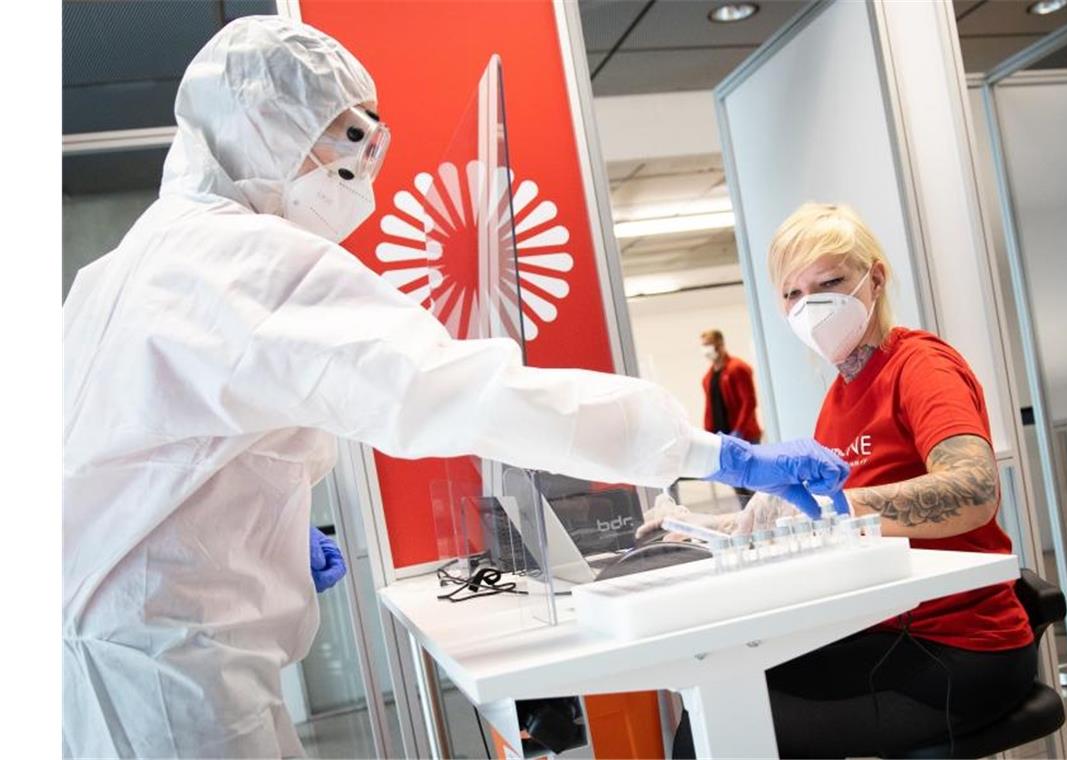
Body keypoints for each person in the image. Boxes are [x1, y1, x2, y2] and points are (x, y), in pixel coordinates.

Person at [62, 17, 850, 759]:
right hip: (168, 682)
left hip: (110, 655)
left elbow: (136, 459)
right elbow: (459, 392)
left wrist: (238, 529)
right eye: (345, 139)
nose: (358, 171)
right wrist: (704, 451)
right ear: (259, 127)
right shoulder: (243, 261)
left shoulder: (122, 270)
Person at [672, 203, 1037, 758]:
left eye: (830, 282)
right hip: (884, 631)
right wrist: (709, 524)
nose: (809, 305)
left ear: (876, 278)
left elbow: (974, 490)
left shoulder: (920, 366)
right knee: (715, 704)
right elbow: (823, 514)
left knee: (724, 735)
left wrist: (832, 500)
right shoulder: (837, 400)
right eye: (792, 293)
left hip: (961, 643)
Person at [701, 329, 763, 506]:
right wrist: (708, 434)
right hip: (723, 438)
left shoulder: (738, 368)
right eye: (703, 345)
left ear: (719, 344)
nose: (705, 349)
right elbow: (709, 408)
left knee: (752, 479)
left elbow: (748, 402)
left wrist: (740, 430)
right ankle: (748, 516)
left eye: (708, 344)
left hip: (744, 435)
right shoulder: (708, 377)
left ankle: (764, 514)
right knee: (736, 482)